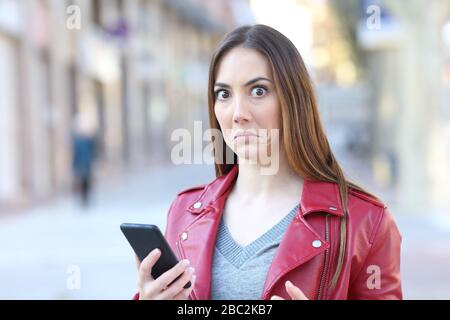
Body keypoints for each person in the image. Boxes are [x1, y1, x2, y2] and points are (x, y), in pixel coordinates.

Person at [133, 24, 402, 300]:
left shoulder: (366, 222)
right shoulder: (184, 211)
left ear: (294, 100)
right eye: (224, 94)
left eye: (258, 91)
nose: (238, 113)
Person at [71, 110, 98, 208]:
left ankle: (87, 198)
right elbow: (75, 153)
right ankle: (83, 199)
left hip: (87, 163)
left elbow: (93, 151)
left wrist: (93, 161)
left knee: (87, 181)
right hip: (80, 163)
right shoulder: (77, 140)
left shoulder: (89, 139)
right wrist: (74, 164)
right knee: (81, 181)